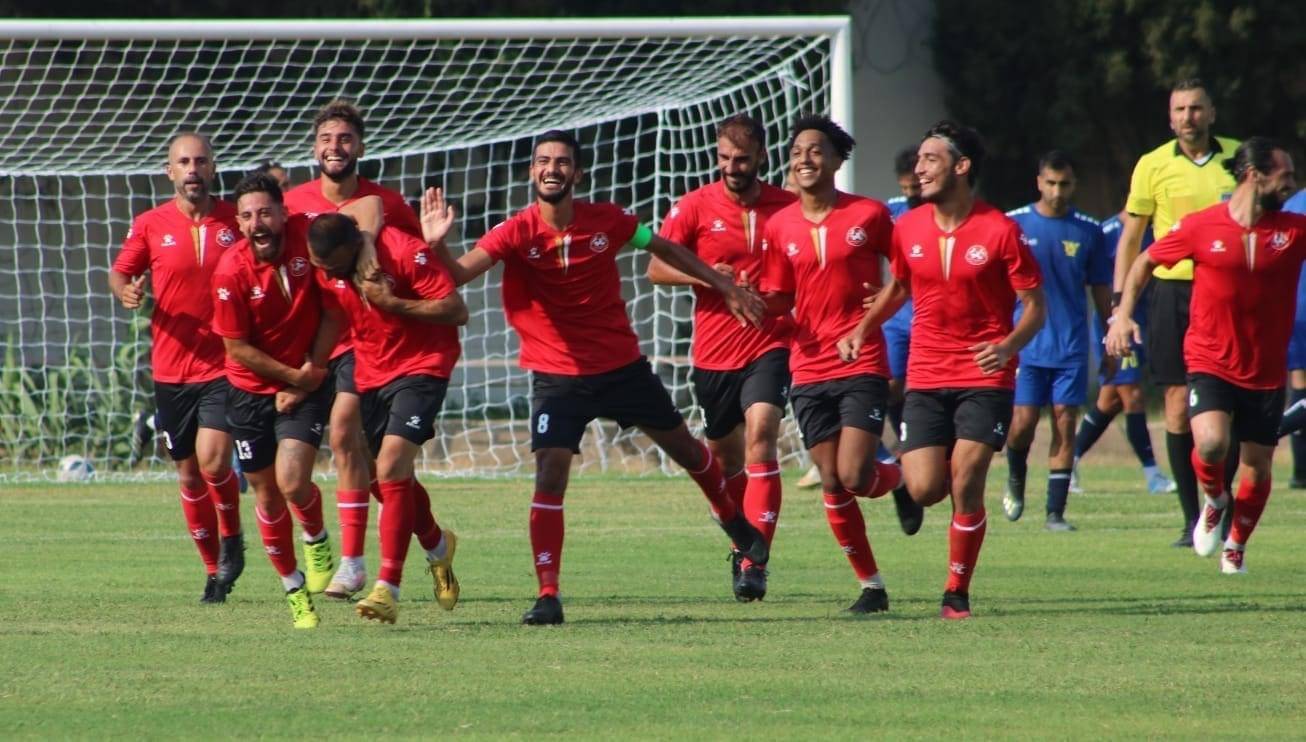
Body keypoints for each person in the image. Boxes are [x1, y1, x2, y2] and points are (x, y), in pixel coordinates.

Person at [425, 129, 767, 625]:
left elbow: (665, 248)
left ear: (577, 173)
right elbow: (455, 276)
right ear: (531, 172)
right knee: (549, 474)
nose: (552, 169)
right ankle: (548, 595)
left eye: (562, 162)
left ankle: (733, 522)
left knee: (690, 451)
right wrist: (438, 245)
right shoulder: (516, 230)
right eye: (543, 161)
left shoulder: (609, 219)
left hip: (621, 367)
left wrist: (719, 283)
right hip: (558, 377)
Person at [839, 120, 1045, 619]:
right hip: (926, 375)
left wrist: (1008, 344)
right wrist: (863, 329)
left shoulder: (1001, 230)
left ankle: (956, 593)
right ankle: (902, 480)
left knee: (967, 477)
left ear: (961, 166)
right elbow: (899, 287)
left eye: (931, 159)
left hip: (984, 375)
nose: (919, 168)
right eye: (919, 160)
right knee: (928, 488)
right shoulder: (907, 227)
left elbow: (1035, 305)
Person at [1108, 138, 1303, 574]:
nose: (1291, 184)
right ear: (1254, 176)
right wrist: (1121, 316)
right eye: (1284, 175)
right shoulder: (1200, 226)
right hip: (1209, 359)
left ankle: (1236, 545)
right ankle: (1214, 498)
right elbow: (1143, 264)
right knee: (1212, 443)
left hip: (1265, 370)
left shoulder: (1294, 230)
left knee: (1256, 468)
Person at [758, 115, 916, 614]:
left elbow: (906, 276)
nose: (805, 159)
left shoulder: (868, 215)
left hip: (861, 360)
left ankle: (904, 481)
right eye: (798, 151)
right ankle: (872, 587)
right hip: (807, 365)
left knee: (851, 475)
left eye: (816, 151)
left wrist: (873, 316)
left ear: (837, 159)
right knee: (832, 481)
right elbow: (780, 297)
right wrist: (749, 301)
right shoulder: (779, 224)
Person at [647, 114, 796, 602]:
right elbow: (656, 269)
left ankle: (755, 563)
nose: (733, 167)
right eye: (725, 159)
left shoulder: (788, 207)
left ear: (762, 159)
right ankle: (741, 537)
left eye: (743, 159)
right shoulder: (694, 206)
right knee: (727, 462)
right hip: (713, 354)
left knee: (763, 437)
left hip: (769, 342)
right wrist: (712, 278)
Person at [283, 100, 426, 599]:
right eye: (326, 138)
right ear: (314, 147)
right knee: (358, 465)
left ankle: (352, 564)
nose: (335, 147)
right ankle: (431, 539)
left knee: (347, 436)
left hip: (363, 343)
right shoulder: (293, 203)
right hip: (309, 341)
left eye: (344, 138)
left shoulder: (385, 202)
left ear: (360, 146)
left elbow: (418, 259)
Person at [308, 208, 467, 625]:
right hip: (372, 372)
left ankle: (387, 588)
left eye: (332, 265)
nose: (327, 274)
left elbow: (455, 309)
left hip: (423, 366)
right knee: (389, 481)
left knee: (393, 465)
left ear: (351, 247)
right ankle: (436, 545)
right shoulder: (333, 270)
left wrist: (394, 303)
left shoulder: (403, 250)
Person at [109, 132, 245, 604]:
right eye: (183, 162)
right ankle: (214, 572)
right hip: (171, 368)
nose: (192, 169)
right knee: (188, 474)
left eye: (200, 161)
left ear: (212, 168)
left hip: (225, 364)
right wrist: (126, 292)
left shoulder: (237, 219)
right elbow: (120, 272)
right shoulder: (150, 224)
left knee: (213, 461)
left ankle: (232, 541)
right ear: (170, 171)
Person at [211, 173, 351, 628]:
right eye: (248, 216)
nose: (258, 223)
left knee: (293, 482)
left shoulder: (309, 244)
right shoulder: (230, 272)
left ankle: (317, 537)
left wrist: (310, 374)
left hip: (306, 382)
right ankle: (294, 589)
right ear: (239, 222)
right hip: (249, 392)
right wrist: (294, 377)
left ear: (283, 212)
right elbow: (237, 349)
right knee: (268, 496)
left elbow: (333, 311)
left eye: (266, 212)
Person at [1112, 78, 1240, 547]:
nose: (1189, 117)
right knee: (1173, 402)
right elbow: (1132, 237)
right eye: (1180, 109)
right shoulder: (1152, 165)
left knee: (1232, 404)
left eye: (1197, 108)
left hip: (1229, 292)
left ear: (1212, 113)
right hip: (1171, 293)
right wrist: (1118, 305)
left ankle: (1224, 511)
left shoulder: (1238, 159)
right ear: (1170, 118)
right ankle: (1194, 519)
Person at [796, 147, 920, 491]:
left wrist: (891, 286)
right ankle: (889, 462)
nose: (913, 194)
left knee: (915, 391)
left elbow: (909, 268)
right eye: (907, 187)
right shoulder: (889, 211)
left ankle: (909, 458)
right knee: (893, 389)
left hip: (904, 320)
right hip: (881, 325)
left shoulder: (882, 214)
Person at [1003, 151, 1112, 531]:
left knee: (1065, 424)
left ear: (1074, 184)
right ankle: (1016, 479)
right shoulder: (1013, 225)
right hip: (1026, 347)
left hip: (1071, 347)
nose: (1057, 191)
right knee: (1022, 425)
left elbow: (1101, 293)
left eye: (1064, 184)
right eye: (1050, 183)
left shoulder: (1088, 231)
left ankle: (1055, 513)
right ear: (1038, 182)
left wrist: (1109, 340)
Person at [1071, 213, 1176, 496]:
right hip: (1115, 322)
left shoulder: (1158, 230)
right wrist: (1112, 318)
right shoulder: (1107, 231)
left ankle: (1068, 462)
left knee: (1110, 401)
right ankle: (1153, 474)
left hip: (1142, 319)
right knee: (1133, 396)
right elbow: (1095, 279)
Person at [1276, 188, 1306, 487]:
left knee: (1300, 383)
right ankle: (1264, 435)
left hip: (1293, 305)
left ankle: (1300, 471)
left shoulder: (1291, 203)